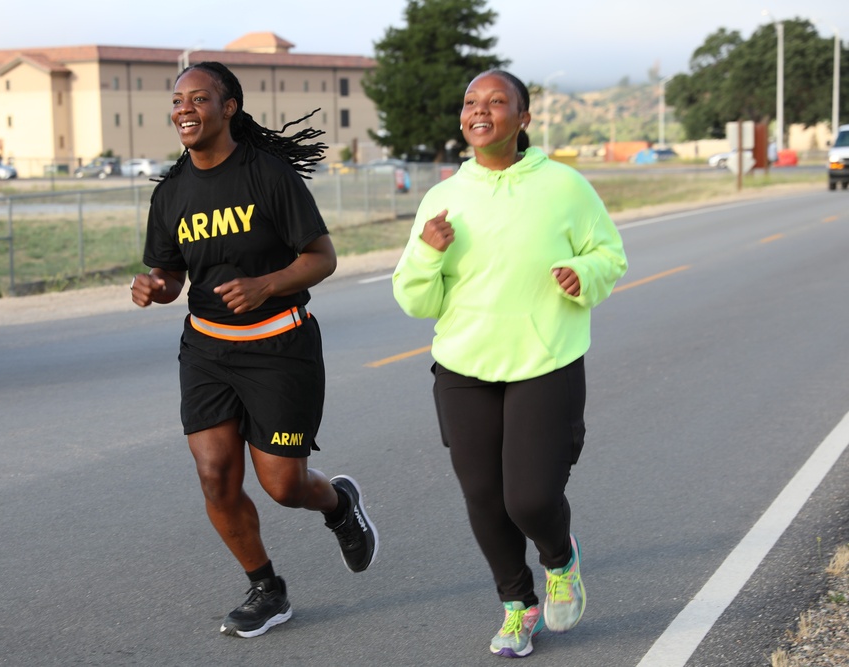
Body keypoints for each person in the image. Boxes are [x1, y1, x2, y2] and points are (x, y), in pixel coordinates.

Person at [130, 61, 378, 639]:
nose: (184, 109)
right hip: (208, 349)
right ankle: (266, 587)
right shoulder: (170, 194)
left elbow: (322, 257)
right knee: (215, 474)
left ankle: (338, 504)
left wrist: (266, 284)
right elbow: (167, 275)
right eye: (177, 100)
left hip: (280, 346)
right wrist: (155, 287)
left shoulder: (266, 175)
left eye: (198, 98)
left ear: (228, 108)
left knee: (283, 486)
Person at [392, 69, 627, 658]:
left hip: (544, 361)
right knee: (484, 497)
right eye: (471, 101)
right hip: (463, 367)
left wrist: (586, 275)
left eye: (497, 102)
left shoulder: (565, 187)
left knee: (530, 499)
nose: (480, 111)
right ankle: (517, 607)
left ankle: (559, 559)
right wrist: (426, 252)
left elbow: (610, 254)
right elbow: (415, 299)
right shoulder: (443, 197)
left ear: (523, 120)